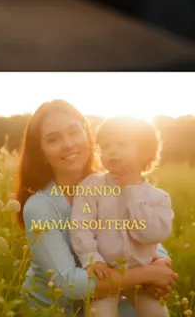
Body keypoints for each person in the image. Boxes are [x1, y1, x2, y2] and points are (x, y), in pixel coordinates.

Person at [16, 100, 177, 314]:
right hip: (55, 309)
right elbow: (67, 283)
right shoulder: (40, 207)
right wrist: (148, 274)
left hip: (108, 294)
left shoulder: (113, 182)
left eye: (74, 132)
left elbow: (135, 230)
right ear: (42, 152)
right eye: (53, 139)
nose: (68, 144)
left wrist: (160, 260)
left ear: (87, 135)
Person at [69, 116, 173, 317]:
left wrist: (131, 191)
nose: (112, 151)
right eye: (106, 146)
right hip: (105, 274)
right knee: (100, 313)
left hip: (142, 279)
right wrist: (92, 259)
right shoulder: (92, 186)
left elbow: (151, 235)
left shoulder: (158, 198)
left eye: (122, 144)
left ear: (145, 153)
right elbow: (81, 226)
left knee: (157, 313)